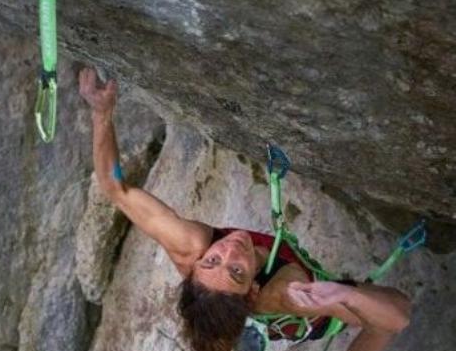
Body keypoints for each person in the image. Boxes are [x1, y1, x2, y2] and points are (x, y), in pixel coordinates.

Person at [78, 67, 412, 351]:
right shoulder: (289, 295)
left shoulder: (190, 248)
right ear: (252, 289)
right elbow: (394, 319)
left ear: (194, 266)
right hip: (310, 318)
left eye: (213, 260)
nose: (229, 250)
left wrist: (101, 113)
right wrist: (345, 294)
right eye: (237, 271)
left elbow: (116, 188)